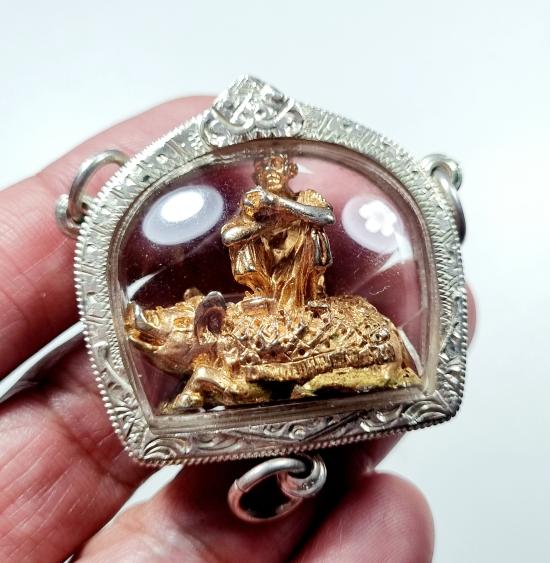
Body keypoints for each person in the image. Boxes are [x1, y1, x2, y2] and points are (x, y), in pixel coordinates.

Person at [0, 96, 474, 562]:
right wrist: (255, 221)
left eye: (278, 171)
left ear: (287, 172)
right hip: (264, 281)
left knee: (303, 240)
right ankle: (272, 329)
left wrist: (279, 207)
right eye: (265, 173)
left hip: (302, 278)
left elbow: (324, 217)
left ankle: (304, 338)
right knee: (253, 261)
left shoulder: (305, 198)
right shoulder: (252, 203)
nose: (271, 177)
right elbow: (230, 234)